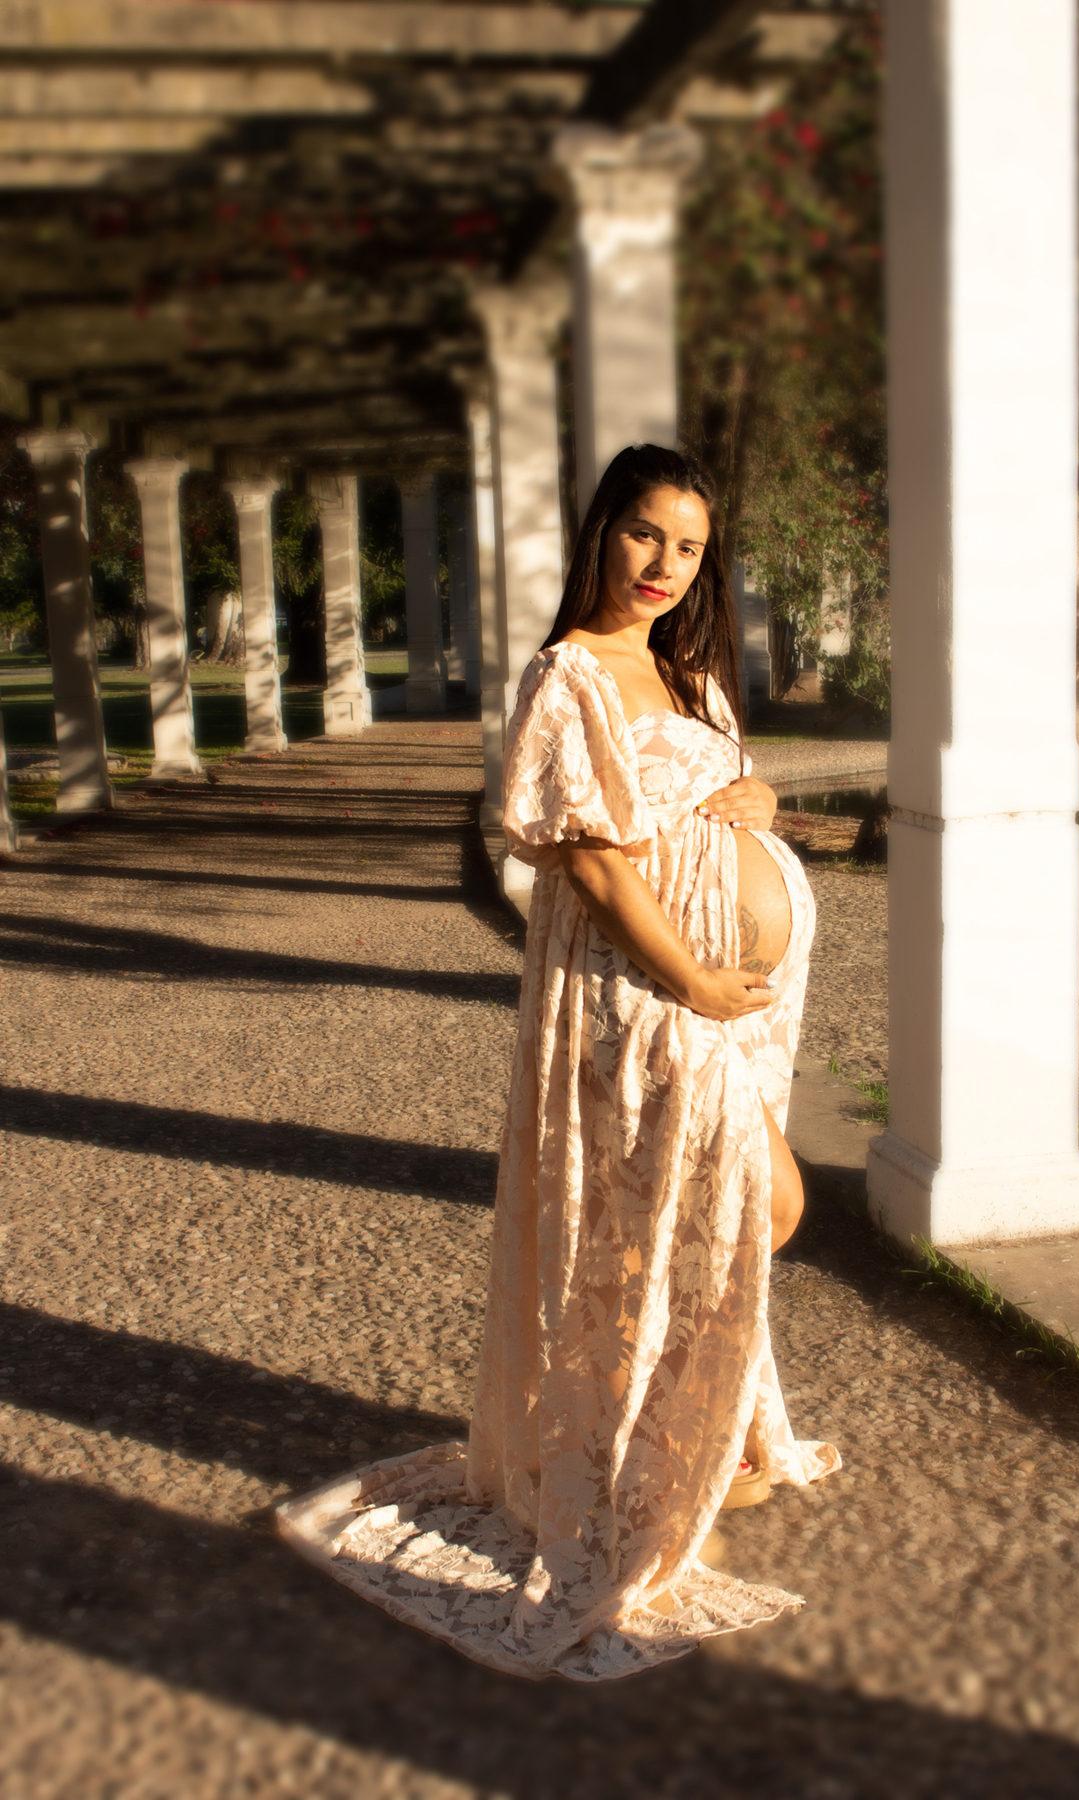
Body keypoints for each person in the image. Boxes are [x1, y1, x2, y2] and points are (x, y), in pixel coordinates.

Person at [278, 445, 839, 1683]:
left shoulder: (686, 669)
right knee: (751, 1201)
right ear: (603, 534)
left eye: (687, 547)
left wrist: (759, 799)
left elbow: (719, 797)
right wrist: (689, 975)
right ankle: (650, 1442)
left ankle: (701, 1429)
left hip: (725, 1005)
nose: (663, 566)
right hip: (636, 994)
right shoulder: (569, 675)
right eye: (644, 535)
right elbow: (588, 860)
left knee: (698, 1206)